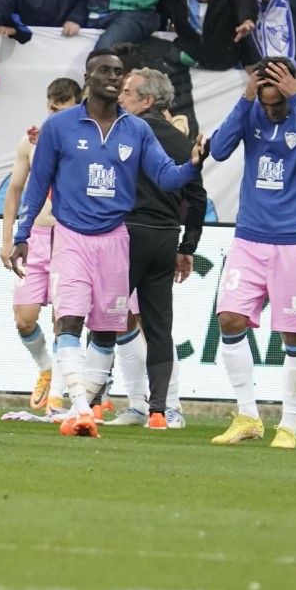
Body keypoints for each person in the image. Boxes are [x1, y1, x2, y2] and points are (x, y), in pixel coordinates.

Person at [9, 50, 207, 438]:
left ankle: (86, 408)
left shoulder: (137, 129)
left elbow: (166, 177)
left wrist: (194, 164)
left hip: (117, 239)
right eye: (105, 71)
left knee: (106, 328)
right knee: (69, 319)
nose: (114, 77)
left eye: (119, 72)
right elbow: (37, 182)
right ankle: (80, 407)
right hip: (71, 237)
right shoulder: (60, 126)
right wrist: (22, 233)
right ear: (88, 77)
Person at [205, 57, 296, 449]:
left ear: (292, 86)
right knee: (229, 317)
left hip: (295, 241)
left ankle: (289, 424)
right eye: (267, 103)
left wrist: (295, 102)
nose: (272, 110)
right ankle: (247, 415)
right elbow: (221, 150)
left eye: (278, 103)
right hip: (249, 236)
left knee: (292, 333)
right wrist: (245, 102)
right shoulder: (252, 109)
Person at [111, 65, 206, 429]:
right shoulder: (182, 140)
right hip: (165, 237)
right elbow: (197, 198)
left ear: (148, 100)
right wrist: (188, 245)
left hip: (126, 234)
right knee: (158, 326)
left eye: (127, 93)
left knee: (109, 319)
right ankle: (163, 410)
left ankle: (106, 402)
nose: (120, 98)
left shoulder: (124, 132)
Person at [1, 77, 82, 413]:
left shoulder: (85, 142)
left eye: (62, 108)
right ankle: (47, 368)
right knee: (24, 318)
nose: (54, 113)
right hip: (34, 237)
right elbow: (15, 190)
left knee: (63, 319)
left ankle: (59, 398)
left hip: (68, 237)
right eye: (51, 106)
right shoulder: (30, 142)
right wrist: (7, 238)